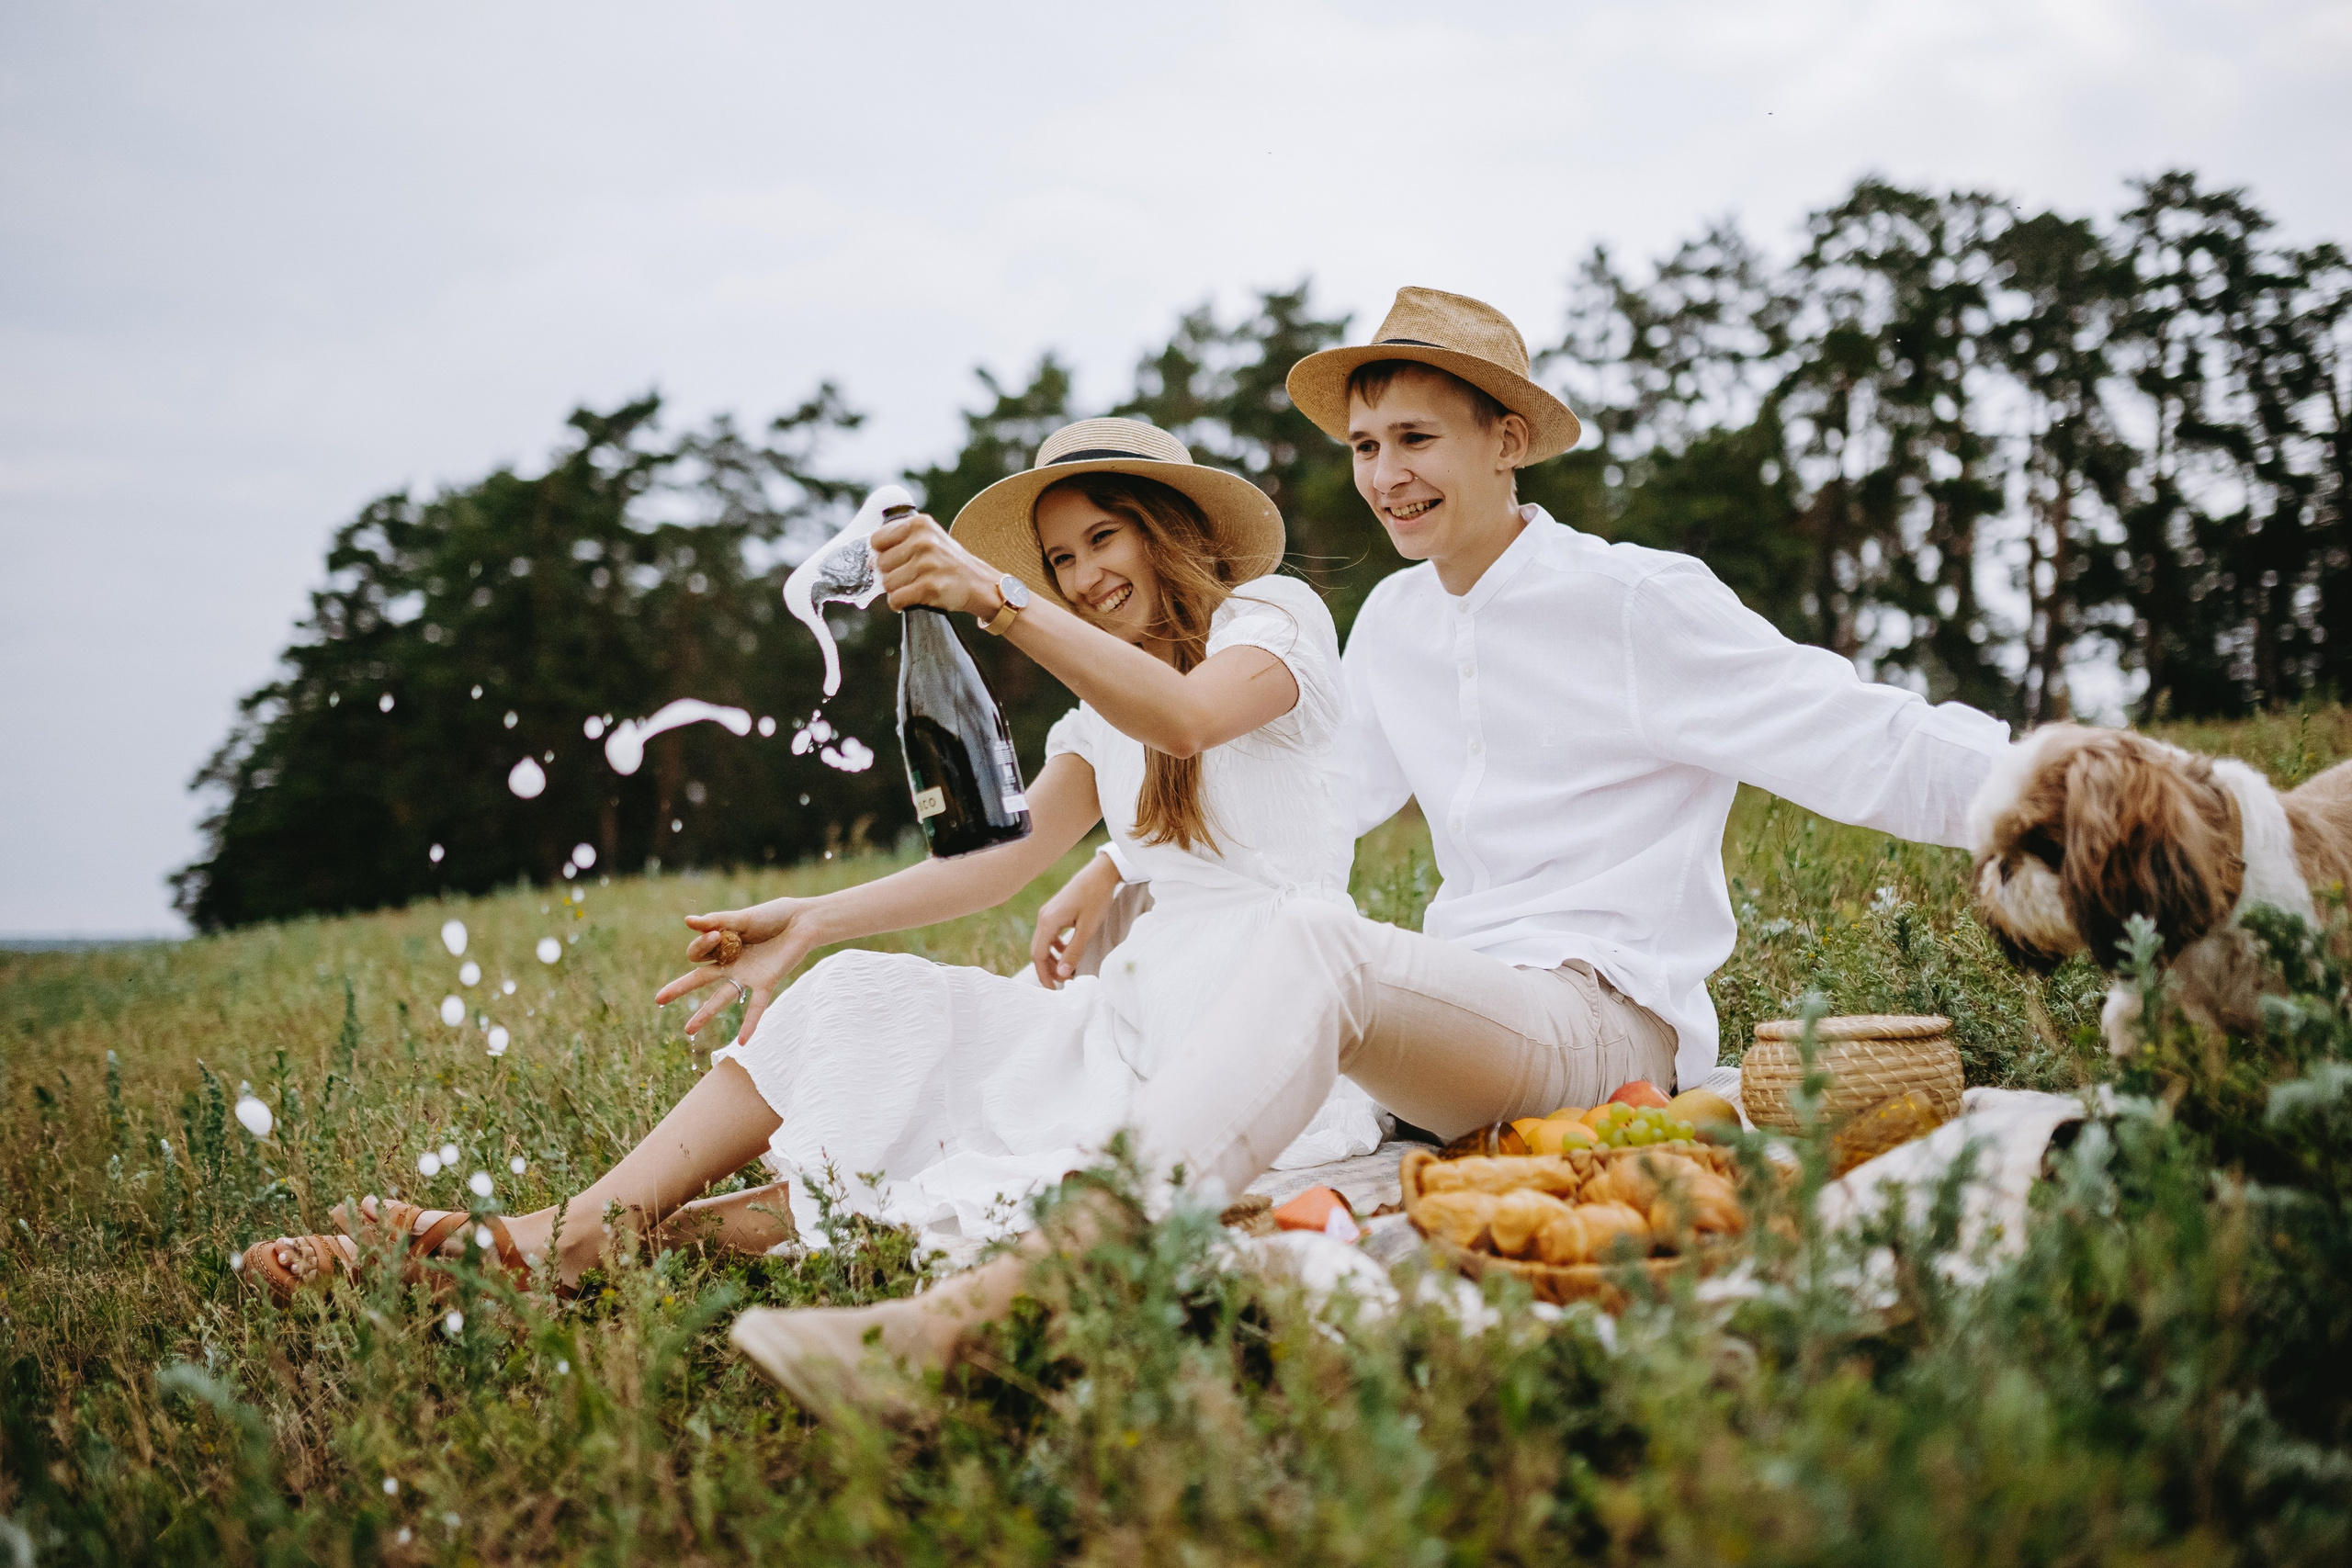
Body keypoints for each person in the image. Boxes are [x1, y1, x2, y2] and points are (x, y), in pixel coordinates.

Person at [716, 288, 2014, 1418]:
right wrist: (1119, 863)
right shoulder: (1394, 620)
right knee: (1226, 991)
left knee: (1308, 943)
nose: (1386, 475)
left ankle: (990, 1313)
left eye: (1416, 439)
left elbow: (1861, 733)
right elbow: (1303, 798)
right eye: (1365, 446)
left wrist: (2062, 791)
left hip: (1608, 1020)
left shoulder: (1634, 599)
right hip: (1465, 1037)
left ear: (1508, 441)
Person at [239, 416, 1370, 1332]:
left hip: (1274, 1022)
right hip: (1132, 1017)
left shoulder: (1274, 620)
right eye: (1059, 559)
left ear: (1173, 531)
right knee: (860, 1008)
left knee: (962, 1180)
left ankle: (542, 1248)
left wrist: (994, 597)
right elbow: (994, 867)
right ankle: (570, 1237)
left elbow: (1185, 720)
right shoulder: (1098, 704)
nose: (1079, 576)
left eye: (1103, 540)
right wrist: (814, 920)